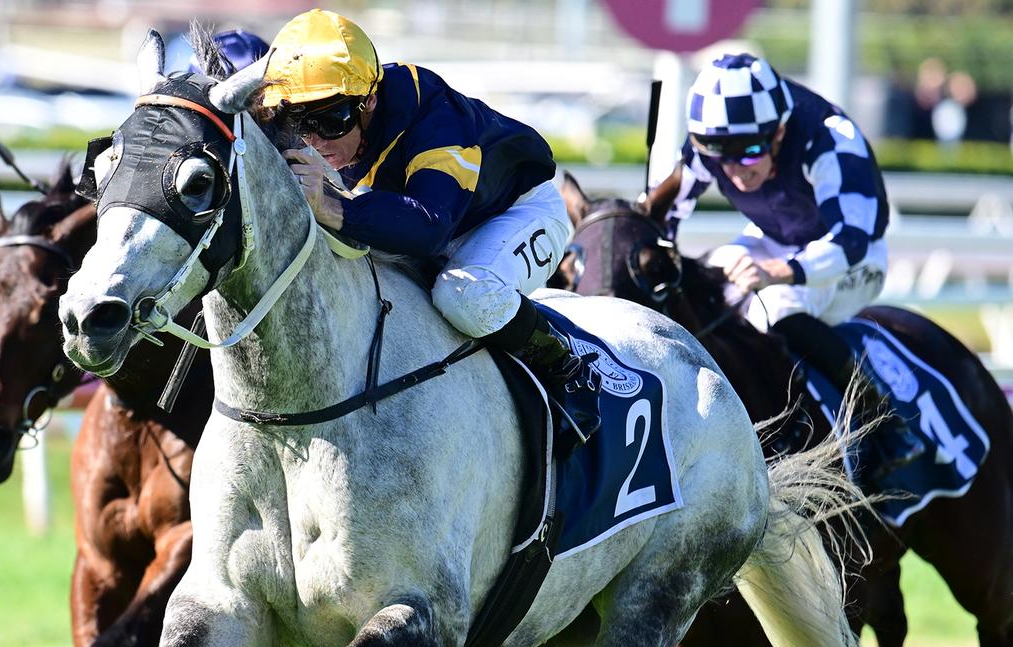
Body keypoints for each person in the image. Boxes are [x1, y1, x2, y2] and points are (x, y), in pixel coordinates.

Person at [258, 9, 597, 437]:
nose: (317, 141)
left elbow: (430, 226)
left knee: (464, 296)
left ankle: (565, 365)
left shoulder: (436, 117)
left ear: (370, 101)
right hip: (427, 221)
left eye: (332, 121)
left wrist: (332, 207)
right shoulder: (325, 130)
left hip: (516, 213)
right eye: (300, 124)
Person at [648, 53, 923, 481]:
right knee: (704, 283)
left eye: (751, 152)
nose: (736, 170)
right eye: (720, 155)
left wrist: (782, 270)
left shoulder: (830, 141)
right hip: (774, 236)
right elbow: (661, 216)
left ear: (779, 131)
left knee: (774, 307)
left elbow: (852, 240)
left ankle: (885, 420)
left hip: (852, 258)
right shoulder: (715, 142)